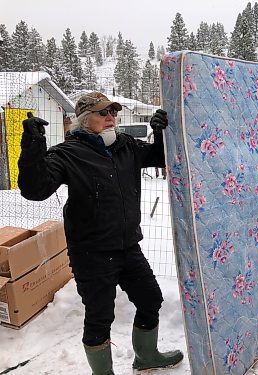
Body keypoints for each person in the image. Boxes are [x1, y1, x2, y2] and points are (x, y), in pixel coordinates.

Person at [17, 92, 183, 374]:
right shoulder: (67, 153)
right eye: (103, 113)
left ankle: (146, 356)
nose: (111, 119)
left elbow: (160, 158)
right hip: (91, 253)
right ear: (84, 120)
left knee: (150, 299)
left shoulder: (125, 146)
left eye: (113, 113)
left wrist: (160, 133)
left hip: (128, 247)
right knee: (99, 318)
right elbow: (35, 189)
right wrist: (33, 145)